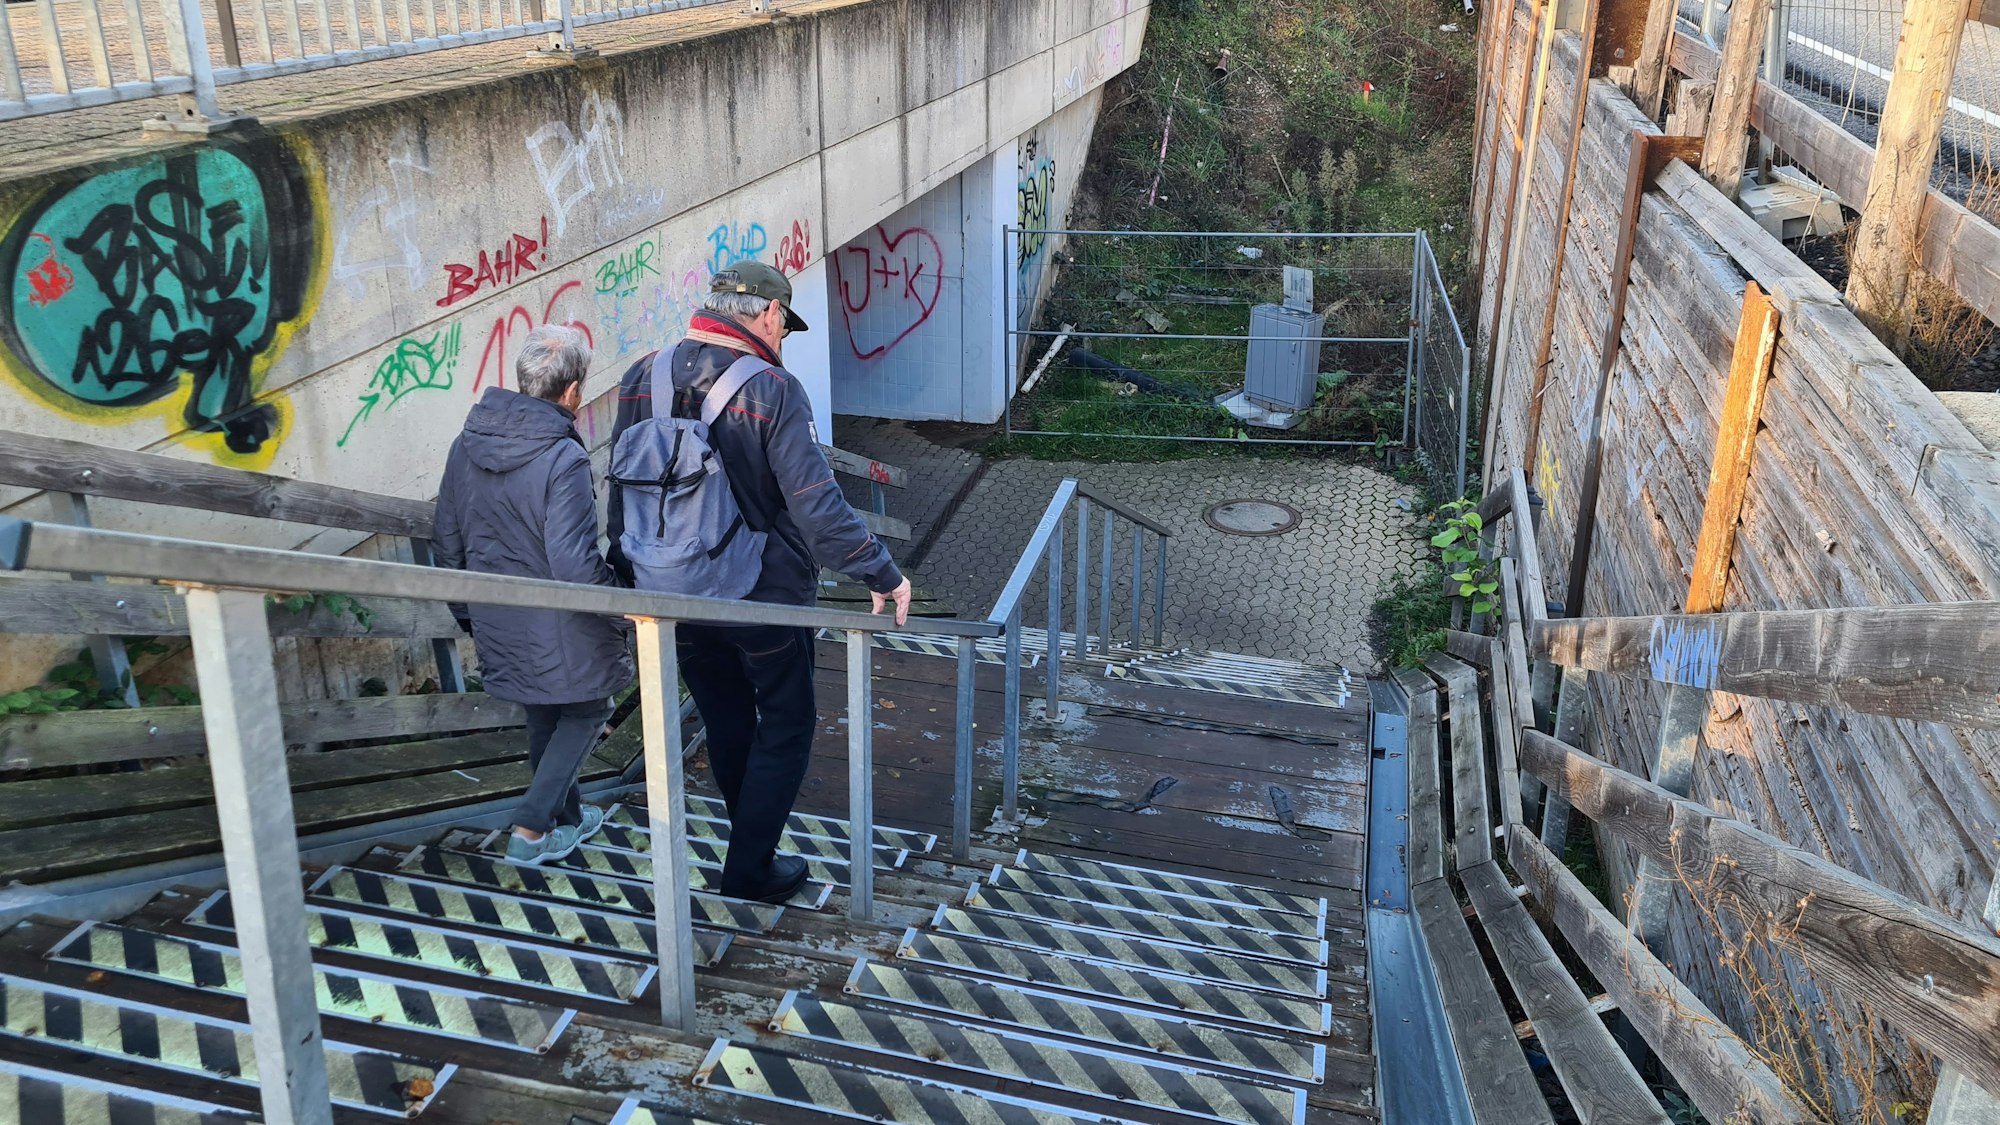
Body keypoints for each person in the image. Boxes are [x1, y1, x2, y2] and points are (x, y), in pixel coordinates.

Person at [607, 261, 912, 904]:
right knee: (788, 720)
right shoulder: (773, 389)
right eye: (784, 324)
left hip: (669, 591)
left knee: (723, 717)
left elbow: (621, 489)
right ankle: (748, 866)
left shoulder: (642, 375)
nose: (783, 338)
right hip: (762, 596)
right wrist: (880, 571)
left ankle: (751, 852)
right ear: (769, 315)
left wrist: (628, 573)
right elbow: (816, 504)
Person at [434, 324, 634, 866]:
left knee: (545, 711)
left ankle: (564, 822)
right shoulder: (562, 457)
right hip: (562, 620)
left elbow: (447, 541)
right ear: (572, 393)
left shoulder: (466, 444)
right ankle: (529, 827)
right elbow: (574, 564)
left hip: (498, 611)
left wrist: (471, 615)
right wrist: (623, 608)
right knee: (589, 710)